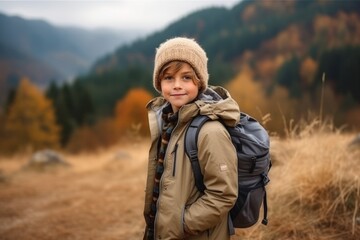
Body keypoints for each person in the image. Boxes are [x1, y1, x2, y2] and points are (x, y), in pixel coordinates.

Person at [143, 37, 240, 240]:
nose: (177, 85)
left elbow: (223, 194)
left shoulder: (210, 131)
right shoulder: (170, 122)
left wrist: (181, 224)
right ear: (159, 83)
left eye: (186, 78)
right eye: (169, 78)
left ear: (200, 82)